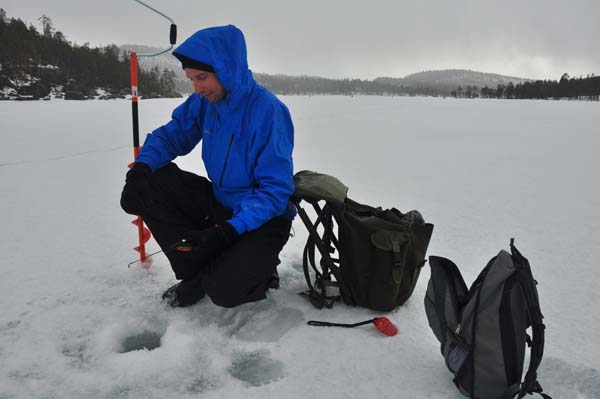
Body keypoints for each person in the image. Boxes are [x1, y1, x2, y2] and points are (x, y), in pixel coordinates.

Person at [120, 25, 295, 308]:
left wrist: (228, 230)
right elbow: (171, 135)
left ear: (227, 69)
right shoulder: (204, 102)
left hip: (264, 217)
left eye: (202, 77)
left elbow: (275, 191)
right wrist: (139, 171)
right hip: (219, 202)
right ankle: (196, 272)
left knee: (226, 292)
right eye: (191, 79)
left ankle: (254, 270)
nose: (197, 87)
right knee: (152, 181)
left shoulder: (268, 112)